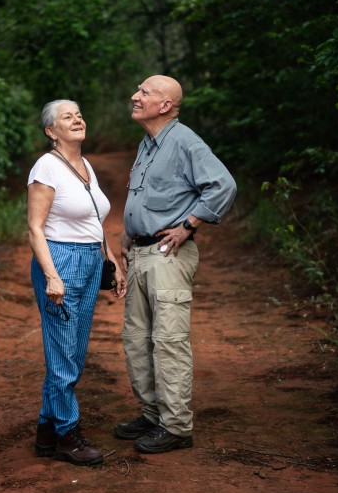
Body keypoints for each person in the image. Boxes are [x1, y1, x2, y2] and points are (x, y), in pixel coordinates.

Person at [115, 75, 237, 454]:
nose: (135, 96)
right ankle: (153, 415)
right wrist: (127, 233)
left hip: (167, 256)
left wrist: (188, 225)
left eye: (145, 92)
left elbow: (223, 185)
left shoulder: (185, 141)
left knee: (168, 342)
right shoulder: (148, 144)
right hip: (141, 252)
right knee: (137, 340)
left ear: (165, 105)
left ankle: (177, 426)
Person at [28, 99, 126, 466]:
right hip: (61, 260)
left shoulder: (84, 166)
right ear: (51, 132)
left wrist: (111, 262)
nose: (77, 119)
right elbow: (35, 227)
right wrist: (52, 275)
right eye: (67, 116)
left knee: (71, 352)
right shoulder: (46, 167)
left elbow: (94, 223)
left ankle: (46, 430)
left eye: (80, 114)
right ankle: (68, 434)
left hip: (88, 259)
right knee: (64, 355)